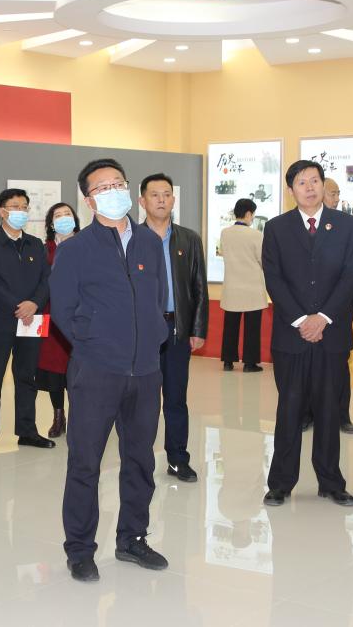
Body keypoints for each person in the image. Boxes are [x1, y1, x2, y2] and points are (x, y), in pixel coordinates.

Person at [51, 158, 170, 582]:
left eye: (118, 183)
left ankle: (132, 538)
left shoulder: (150, 243)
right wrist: (95, 341)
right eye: (102, 187)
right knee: (85, 462)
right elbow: (63, 310)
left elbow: (159, 299)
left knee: (140, 460)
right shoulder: (75, 250)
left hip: (146, 370)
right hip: (96, 371)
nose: (113, 191)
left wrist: (154, 336)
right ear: (89, 200)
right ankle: (80, 549)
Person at [261, 160, 353, 508]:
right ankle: (280, 483)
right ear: (291, 190)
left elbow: (351, 275)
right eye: (302, 182)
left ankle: (331, 482)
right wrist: (303, 319)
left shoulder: (347, 225)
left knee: (329, 411)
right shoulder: (277, 228)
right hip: (292, 335)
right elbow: (273, 278)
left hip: (332, 334)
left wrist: (324, 318)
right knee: (289, 410)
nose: (309, 187)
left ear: (323, 184)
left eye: (315, 180)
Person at [138, 173, 208, 483]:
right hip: (143, 332)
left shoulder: (188, 239)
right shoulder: (131, 238)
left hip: (177, 329)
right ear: (142, 201)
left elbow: (199, 287)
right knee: (143, 400)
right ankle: (140, 459)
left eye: (166, 194)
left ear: (173, 200)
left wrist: (198, 328)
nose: (161, 200)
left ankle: (178, 459)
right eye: (155, 195)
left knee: (176, 398)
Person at [0, 188, 53, 453]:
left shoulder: (36, 244)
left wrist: (34, 304)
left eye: (24, 207)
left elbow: (46, 279)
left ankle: (27, 431)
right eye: (15, 207)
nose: (21, 211)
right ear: (2, 211)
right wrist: (19, 307)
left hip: (32, 320)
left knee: (27, 377)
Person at [315, 176, 353, 434]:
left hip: (338, 311)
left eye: (337, 193)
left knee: (339, 367)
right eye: (332, 193)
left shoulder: (347, 225)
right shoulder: (298, 225)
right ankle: (308, 414)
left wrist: (349, 305)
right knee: (308, 368)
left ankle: (342, 415)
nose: (336, 198)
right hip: (307, 315)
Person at [36, 202, 79, 439]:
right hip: (51, 316)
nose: (63, 218)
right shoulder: (45, 249)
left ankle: (78, 416)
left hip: (80, 315)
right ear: (51, 224)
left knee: (78, 368)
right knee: (53, 368)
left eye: (67, 214)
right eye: (58, 215)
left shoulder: (86, 244)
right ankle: (58, 416)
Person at [219, 198, 266, 373]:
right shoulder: (256, 235)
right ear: (248, 214)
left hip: (232, 287)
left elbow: (223, 253)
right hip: (252, 287)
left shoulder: (225, 233)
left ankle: (228, 361)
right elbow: (262, 259)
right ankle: (249, 363)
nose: (252, 217)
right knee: (252, 328)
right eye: (252, 214)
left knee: (230, 326)